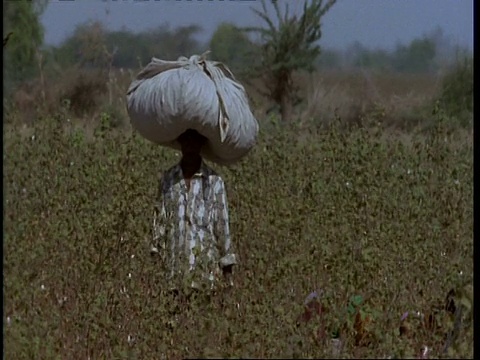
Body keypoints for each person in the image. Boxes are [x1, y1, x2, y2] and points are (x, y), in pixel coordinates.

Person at [150, 129, 237, 316]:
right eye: (186, 141)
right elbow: (160, 224)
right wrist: (155, 267)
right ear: (180, 143)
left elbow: (222, 227)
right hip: (174, 275)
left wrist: (227, 273)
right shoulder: (168, 179)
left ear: (202, 144)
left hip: (205, 276)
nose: (190, 146)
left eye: (195, 141)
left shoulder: (214, 182)